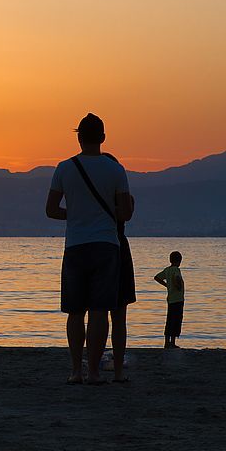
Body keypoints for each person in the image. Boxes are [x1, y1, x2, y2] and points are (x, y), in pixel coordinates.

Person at [46, 113, 132, 385]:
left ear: (79, 138)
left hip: (75, 246)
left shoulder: (64, 168)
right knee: (99, 311)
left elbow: (50, 210)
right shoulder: (116, 170)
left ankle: (76, 371)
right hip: (107, 246)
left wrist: (76, 214)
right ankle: (94, 372)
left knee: (75, 312)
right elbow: (125, 213)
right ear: (103, 139)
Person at [103, 153, 136, 383]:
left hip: (100, 247)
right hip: (119, 249)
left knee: (97, 313)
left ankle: (95, 364)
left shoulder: (95, 200)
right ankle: (118, 371)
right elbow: (128, 212)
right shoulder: (125, 199)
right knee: (119, 316)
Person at [154, 251, 185, 348]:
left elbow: (157, 277)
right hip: (178, 299)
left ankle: (167, 342)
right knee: (176, 320)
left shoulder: (167, 270)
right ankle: (172, 342)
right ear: (179, 261)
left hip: (171, 299)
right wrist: (178, 286)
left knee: (170, 320)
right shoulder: (176, 269)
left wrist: (167, 285)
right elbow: (177, 278)